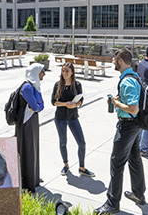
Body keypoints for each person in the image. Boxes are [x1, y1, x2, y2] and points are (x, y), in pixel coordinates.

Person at [95, 48, 146, 215]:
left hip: (127, 126)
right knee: (134, 159)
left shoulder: (127, 81)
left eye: (114, 59)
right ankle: (138, 194)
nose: (112, 62)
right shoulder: (133, 76)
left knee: (116, 164)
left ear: (120, 61)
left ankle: (112, 203)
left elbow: (133, 109)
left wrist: (116, 104)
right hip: (134, 126)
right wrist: (119, 99)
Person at [51, 62, 95, 178]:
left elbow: (81, 100)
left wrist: (76, 105)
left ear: (72, 73)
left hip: (73, 118)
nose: (64, 73)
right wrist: (65, 104)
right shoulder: (57, 85)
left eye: (67, 71)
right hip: (60, 118)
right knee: (63, 142)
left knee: (81, 143)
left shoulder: (77, 85)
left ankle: (82, 167)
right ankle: (65, 165)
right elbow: (53, 101)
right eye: (63, 70)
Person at [16, 63, 45, 193]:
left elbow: (41, 105)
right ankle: (26, 181)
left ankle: (33, 178)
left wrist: (38, 107)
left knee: (33, 148)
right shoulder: (27, 87)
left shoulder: (35, 86)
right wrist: (38, 107)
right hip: (26, 123)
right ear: (35, 72)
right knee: (27, 149)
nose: (44, 74)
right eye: (42, 71)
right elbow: (36, 106)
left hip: (32, 120)